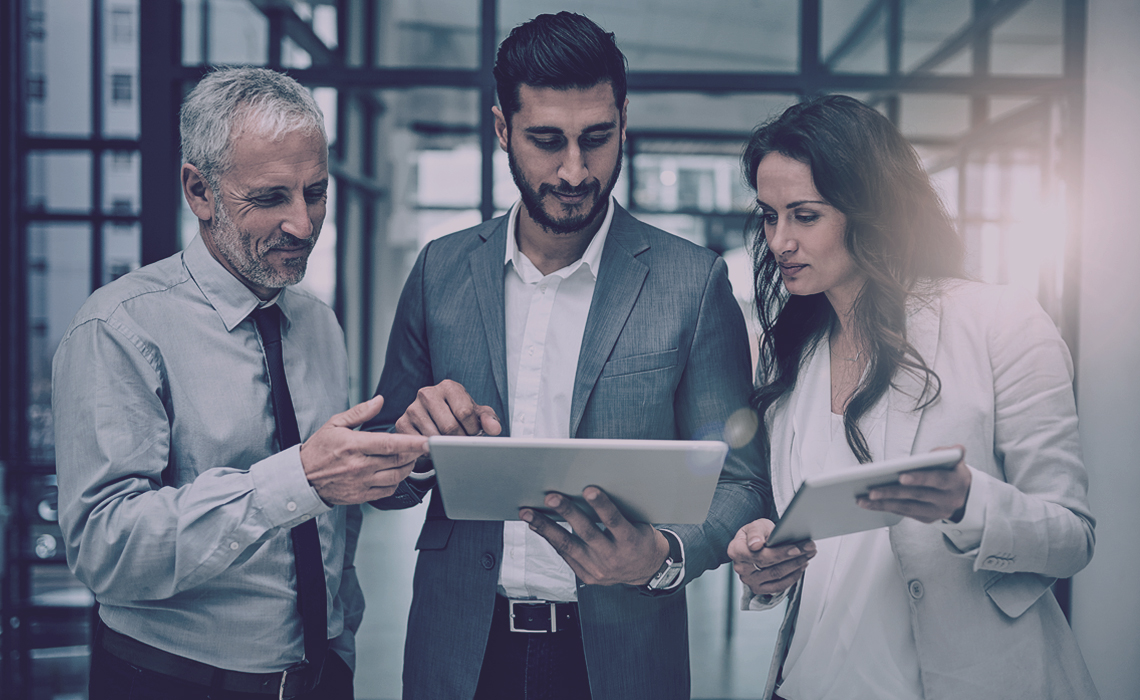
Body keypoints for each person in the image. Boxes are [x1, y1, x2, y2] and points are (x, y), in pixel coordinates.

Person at [366, 12, 771, 700]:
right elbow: (384, 471)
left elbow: (739, 484)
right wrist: (409, 445)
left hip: (620, 658)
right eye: (546, 141)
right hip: (460, 648)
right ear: (501, 130)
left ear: (623, 120)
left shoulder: (692, 284)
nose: (576, 170)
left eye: (597, 139)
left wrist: (663, 557)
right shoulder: (440, 270)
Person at [53, 67, 428, 700]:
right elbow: (104, 548)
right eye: (271, 197)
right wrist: (296, 479)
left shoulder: (316, 323)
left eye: (316, 191)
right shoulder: (118, 327)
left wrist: (407, 463)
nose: (304, 224)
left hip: (321, 675)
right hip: (172, 682)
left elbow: (332, 510)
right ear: (199, 192)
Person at [727, 94, 1098, 700]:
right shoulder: (795, 354)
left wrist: (968, 502)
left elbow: (1072, 537)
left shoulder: (997, 320)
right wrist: (763, 566)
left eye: (805, 216)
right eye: (769, 216)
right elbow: (819, 554)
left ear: (868, 211)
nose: (779, 242)